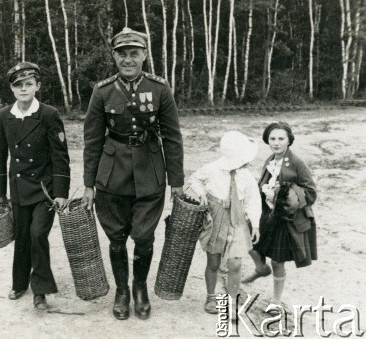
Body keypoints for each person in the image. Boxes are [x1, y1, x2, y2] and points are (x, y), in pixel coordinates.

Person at [82, 27, 184, 320]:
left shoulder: (160, 88)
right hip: (111, 175)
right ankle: (122, 290)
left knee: (143, 237)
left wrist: (176, 180)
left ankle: (140, 288)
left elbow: (173, 137)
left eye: (134, 54)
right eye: (122, 54)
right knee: (116, 238)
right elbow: (92, 140)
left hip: (150, 173)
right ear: (114, 57)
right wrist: (89, 184)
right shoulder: (102, 91)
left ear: (144, 55)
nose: (128, 59)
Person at [0, 62, 70, 310]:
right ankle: (19, 283)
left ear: (37, 86)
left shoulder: (48, 114)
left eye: (28, 84)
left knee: (38, 234)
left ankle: (41, 290)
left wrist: (60, 193)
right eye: (18, 85)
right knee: (23, 235)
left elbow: (60, 156)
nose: (23, 89)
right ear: (11, 88)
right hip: (18, 188)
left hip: (44, 189)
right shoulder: (4, 116)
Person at [242, 121, 317, 308]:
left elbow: (311, 192)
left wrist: (285, 192)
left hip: (285, 218)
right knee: (247, 238)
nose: (276, 143)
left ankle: (276, 300)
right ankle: (260, 268)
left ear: (289, 140)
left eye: (281, 139)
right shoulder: (270, 160)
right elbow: (262, 185)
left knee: (277, 260)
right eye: (272, 138)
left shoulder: (297, 163)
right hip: (267, 212)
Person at [189, 131, 261, 316]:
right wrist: (202, 193)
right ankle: (211, 296)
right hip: (216, 218)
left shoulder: (246, 176)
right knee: (213, 262)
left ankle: (233, 299)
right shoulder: (212, 169)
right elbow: (194, 178)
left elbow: (253, 201)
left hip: (238, 220)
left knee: (236, 263)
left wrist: (255, 224)